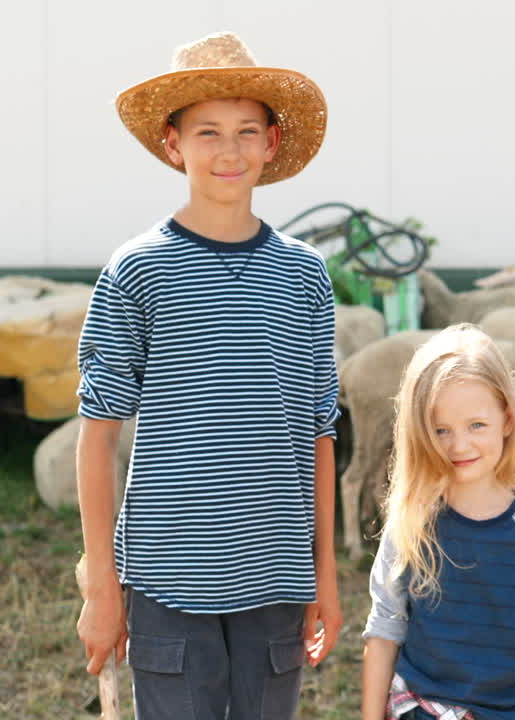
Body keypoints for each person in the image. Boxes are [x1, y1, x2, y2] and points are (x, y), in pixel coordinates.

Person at [74, 31, 341, 720]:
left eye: (248, 130)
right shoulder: (138, 271)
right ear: (173, 144)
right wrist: (102, 586)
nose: (229, 151)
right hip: (167, 577)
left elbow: (319, 434)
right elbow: (98, 433)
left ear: (273, 142)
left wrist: (326, 576)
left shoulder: (304, 277)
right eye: (208, 132)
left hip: (277, 576)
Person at [362, 325, 515, 720]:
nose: (459, 445)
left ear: (506, 420)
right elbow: (385, 629)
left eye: (476, 426)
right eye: (441, 430)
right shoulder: (412, 524)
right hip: (421, 709)